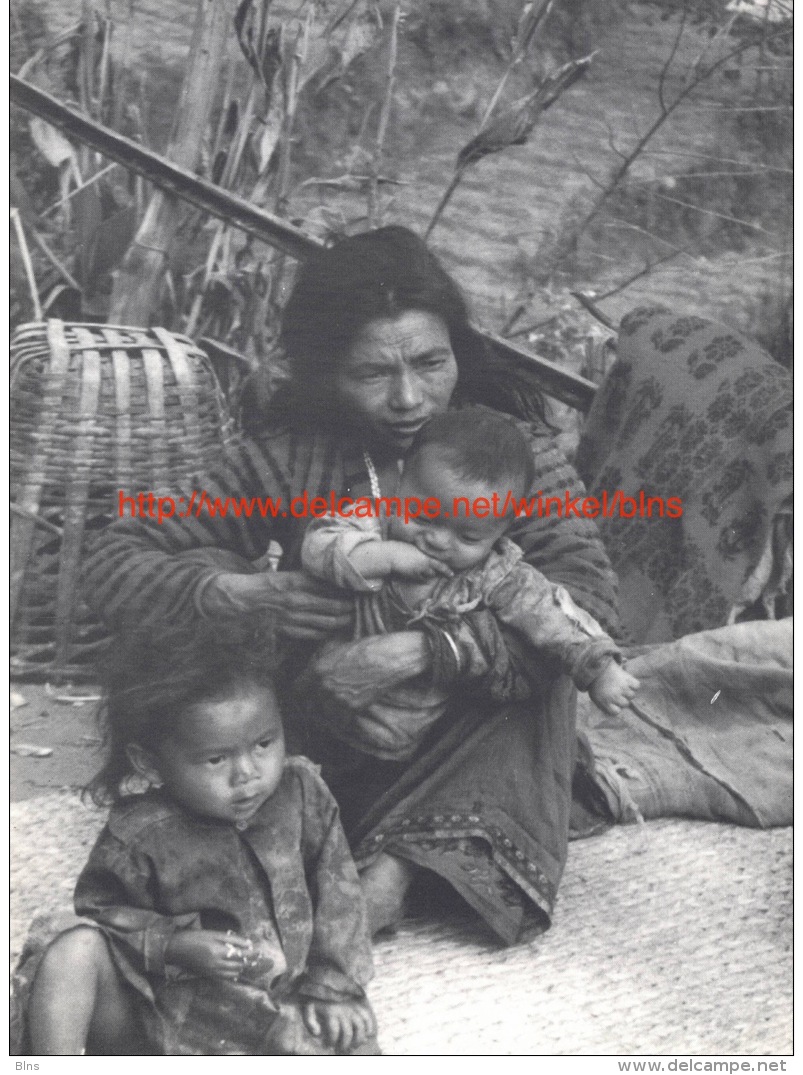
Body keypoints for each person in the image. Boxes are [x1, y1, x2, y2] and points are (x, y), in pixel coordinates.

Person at [83, 225, 623, 947]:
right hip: (316, 741)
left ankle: (388, 878)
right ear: (324, 370)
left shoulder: (507, 454)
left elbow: (586, 598)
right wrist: (235, 592)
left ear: (457, 353)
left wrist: (420, 654)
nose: (410, 399)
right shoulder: (286, 458)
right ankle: (323, 839)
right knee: (202, 617)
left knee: (550, 658)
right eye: (371, 374)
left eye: (431, 363)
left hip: (454, 737)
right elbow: (116, 553)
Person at [18, 636, 378, 1056]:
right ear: (150, 764)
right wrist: (172, 945)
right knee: (70, 946)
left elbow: (341, 896)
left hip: (272, 1008)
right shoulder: (140, 833)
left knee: (349, 1041)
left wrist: (332, 988)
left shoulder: (303, 794)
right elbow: (103, 916)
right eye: (216, 760)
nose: (247, 774)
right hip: (158, 1015)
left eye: (264, 744)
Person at [300, 407, 639, 761]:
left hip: (393, 744)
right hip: (316, 702)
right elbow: (318, 546)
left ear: (502, 530)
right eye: (423, 516)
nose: (439, 541)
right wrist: (384, 556)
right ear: (400, 482)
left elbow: (553, 615)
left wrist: (599, 669)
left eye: (468, 536)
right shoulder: (373, 523)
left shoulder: (496, 574)